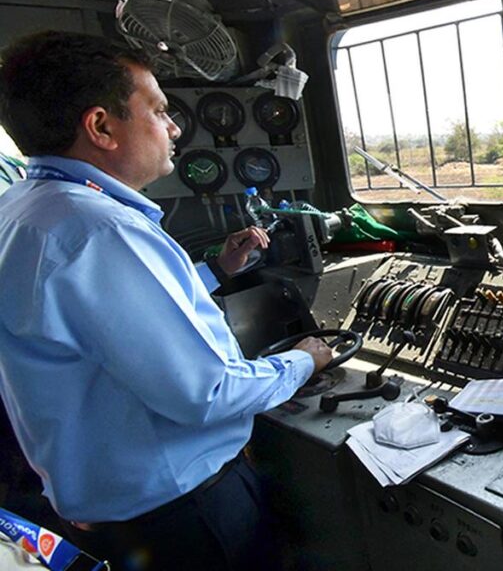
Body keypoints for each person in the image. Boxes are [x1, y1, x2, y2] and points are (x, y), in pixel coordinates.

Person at [0, 31, 334, 570]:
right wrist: (304, 359)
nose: (175, 127)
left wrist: (217, 271)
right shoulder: (101, 231)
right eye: (158, 110)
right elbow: (207, 392)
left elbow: (94, 319)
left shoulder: (23, 209)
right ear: (102, 127)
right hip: (184, 516)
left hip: (109, 511)